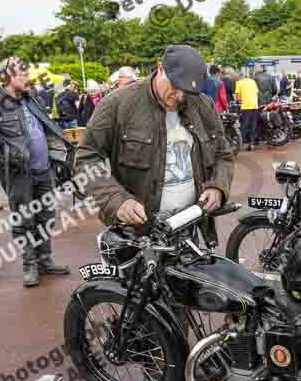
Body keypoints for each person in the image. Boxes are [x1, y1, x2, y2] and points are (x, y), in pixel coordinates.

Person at [74, 45, 234, 244]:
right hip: (135, 234)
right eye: (175, 86)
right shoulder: (117, 104)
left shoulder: (203, 105)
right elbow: (86, 159)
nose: (180, 96)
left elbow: (223, 154)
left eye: (188, 91)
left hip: (187, 227)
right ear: (160, 68)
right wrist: (116, 199)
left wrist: (218, 186)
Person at [0, 56, 71, 287]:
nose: (29, 78)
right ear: (7, 76)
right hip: (19, 174)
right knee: (23, 220)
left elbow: (43, 128)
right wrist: (5, 162)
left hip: (44, 169)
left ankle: (45, 260)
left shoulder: (31, 97)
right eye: (24, 74)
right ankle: (30, 264)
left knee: (46, 216)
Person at [235, 71, 260, 150]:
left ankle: (241, 143)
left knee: (244, 125)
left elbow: (238, 97)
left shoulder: (239, 82)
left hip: (246, 106)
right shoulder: (253, 82)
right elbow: (257, 93)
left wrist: (238, 101)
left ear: (240, 77)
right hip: (255, 106)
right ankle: (251, 143)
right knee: (253, 125)